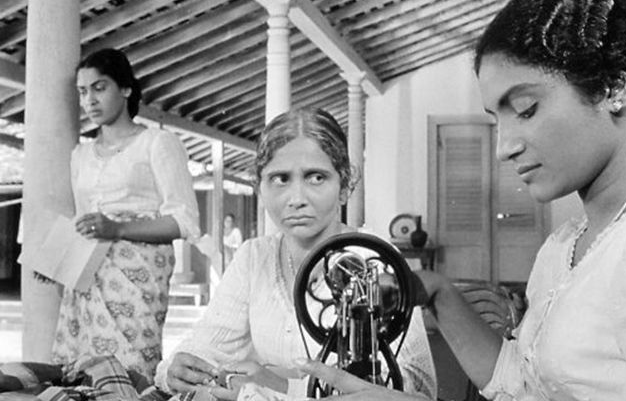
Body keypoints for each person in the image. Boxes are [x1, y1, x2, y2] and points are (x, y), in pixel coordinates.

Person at [300, 0, 626, 400]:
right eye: (497, 119)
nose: (503, 148)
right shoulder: (562, 249)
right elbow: (523, 383)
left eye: (525, 109)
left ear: (613, 88)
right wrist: (436, 291)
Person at [154, 108, 437, 400]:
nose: (297, 199)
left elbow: (418, 385)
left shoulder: (374, 258)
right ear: (260, 188)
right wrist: (179, 368)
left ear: (343, 186)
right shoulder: (254, 258)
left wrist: (283, 385)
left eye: (316, 178)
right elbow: (206, 346)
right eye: (280, 179)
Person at [51, 48, 201, 381]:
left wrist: (117, 229)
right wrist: (58, 262)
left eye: (99, 87)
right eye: (82, 91)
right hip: (87, 276)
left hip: (136, 278)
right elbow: (83, 220)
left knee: (131, 371)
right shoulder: (81, 155)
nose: (89, 100)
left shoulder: (157, 143)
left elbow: (184, 221)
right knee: (82, 376)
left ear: (126, 89)